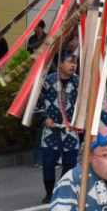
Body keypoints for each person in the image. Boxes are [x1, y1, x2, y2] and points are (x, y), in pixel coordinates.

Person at [37, 52, 80, 202]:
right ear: (60, 63)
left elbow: (84, 104)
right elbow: (37, 101)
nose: (73, 65)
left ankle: (60, 189)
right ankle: (49, 193)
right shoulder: (48, 80)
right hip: (51, 129)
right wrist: (44, 117)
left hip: (70, 129)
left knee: (70, 163)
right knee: (48, 162)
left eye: (75, 63)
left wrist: (79, 120)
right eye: (69, 62)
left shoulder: (78, 82)